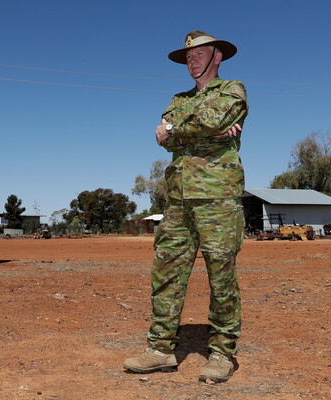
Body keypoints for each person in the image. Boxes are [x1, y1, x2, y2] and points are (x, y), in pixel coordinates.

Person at [123, 30, 248, 383]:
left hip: (218, 199)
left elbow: (210, 120)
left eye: (199, 54)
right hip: (178, 200)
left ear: (217, 56)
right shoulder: (177, 99)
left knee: (221, 275)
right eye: (188, 57)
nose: (192, 61)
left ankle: (223, 353)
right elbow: (164, 138)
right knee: (166, 273)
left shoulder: (233, 90)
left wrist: (181, 130)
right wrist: (201, 130)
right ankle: (160, 349)